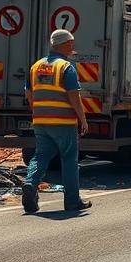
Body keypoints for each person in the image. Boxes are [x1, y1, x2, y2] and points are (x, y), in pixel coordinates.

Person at [22, 29, 90, 214]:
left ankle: (30, 183)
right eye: (71, 43)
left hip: (41, 121)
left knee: (41, 155)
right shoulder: (66, 67)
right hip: (63, 122)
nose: (73, 46)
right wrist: (83, 119)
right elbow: (74, 97)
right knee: (69, 159)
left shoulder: (35, 67)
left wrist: (38, 112)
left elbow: (29, 94)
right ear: (65, 44)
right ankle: (72, 201)